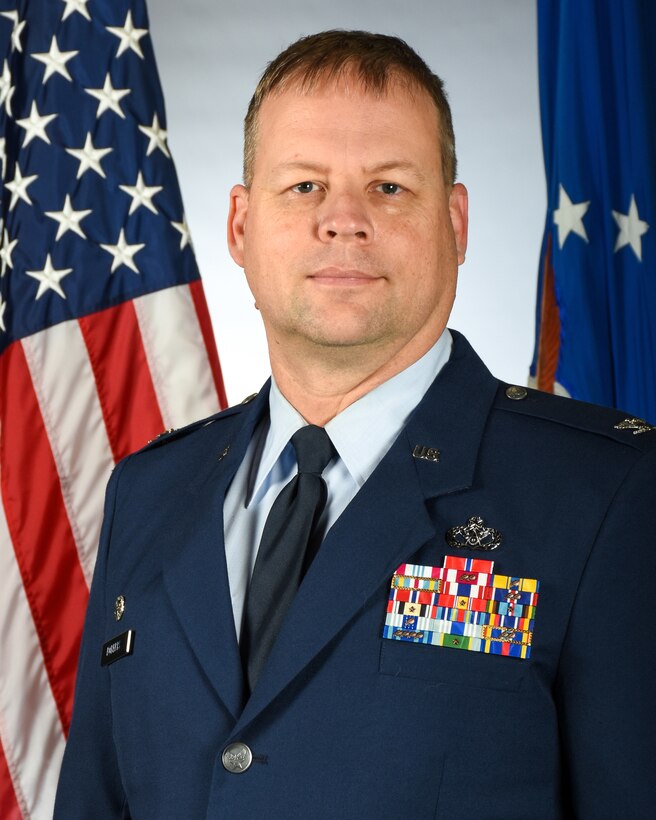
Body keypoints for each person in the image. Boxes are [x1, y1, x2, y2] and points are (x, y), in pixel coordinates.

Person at [55, 30, 656, 819]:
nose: (343, 220)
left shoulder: (606, 494)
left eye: (389, 188)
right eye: (303, 186)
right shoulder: (148, 491)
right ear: (240, 225)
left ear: (456, 220)